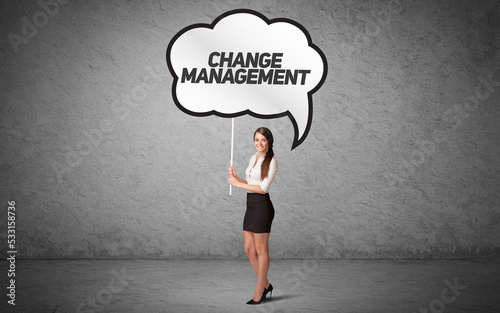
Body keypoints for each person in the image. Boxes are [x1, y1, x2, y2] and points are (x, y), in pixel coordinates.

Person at [228, 127, 278, 305]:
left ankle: (260, 289)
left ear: (269, 142)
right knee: (249, 249)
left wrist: (238, 185)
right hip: (250, 207)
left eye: (263, 140)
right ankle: (266, 284)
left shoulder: (272, 162)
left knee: (261, 250)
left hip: (263, 208)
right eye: (257, 140)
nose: (259, 143)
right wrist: (237, 178)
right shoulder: (253, 158)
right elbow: (250, 183)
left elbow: (262, 188)